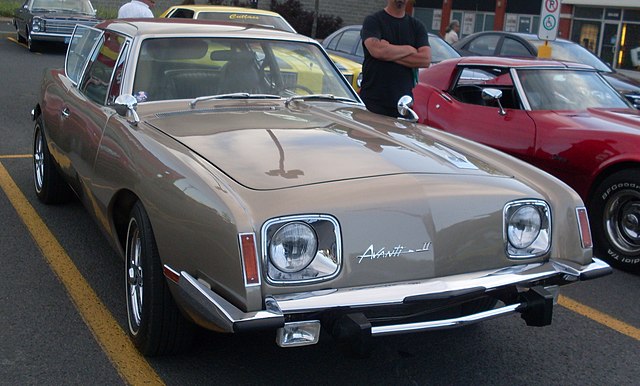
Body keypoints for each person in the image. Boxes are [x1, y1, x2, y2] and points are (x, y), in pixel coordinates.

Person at [360, 0, 431, 118]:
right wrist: (410, 49)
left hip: (403, 103)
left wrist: (387, 52)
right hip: (372, 101)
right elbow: (377, 51)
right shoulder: (373, 21)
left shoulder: (417, 26)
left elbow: (425, 60)